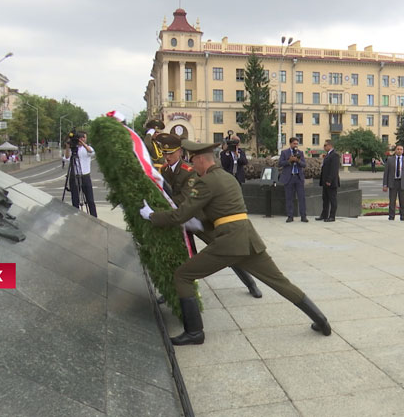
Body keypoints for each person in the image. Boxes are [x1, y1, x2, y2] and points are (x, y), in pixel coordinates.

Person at [139, 139, 332, 345]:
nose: (192, 165)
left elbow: (181, 215)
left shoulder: (205, 182)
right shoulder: (228, 178)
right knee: (280, 282)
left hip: (229, 241)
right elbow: (220, 210)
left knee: (183, 275)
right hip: (248, 238)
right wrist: (200, 224)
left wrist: (151, 216)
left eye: (193, 161)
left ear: (201, 160)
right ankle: (321, 321)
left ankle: (194, 332)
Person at [158, 133, 262, 299]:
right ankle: (172, 291)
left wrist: (166, 197)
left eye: (170, 153)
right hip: (178, 218)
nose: (167, 157)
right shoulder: (163, 171)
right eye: (164, 154)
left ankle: (250, 283)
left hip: (198, 219)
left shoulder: (189, 171)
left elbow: (186, 198)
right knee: (178, 255)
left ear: (179, 152)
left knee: (227, 252)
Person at [64, 132, 98, 217]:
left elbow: (91, 152)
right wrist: (68, 147)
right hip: (74, 176)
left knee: (90, 200)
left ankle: (94, 217)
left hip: (85, 176)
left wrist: (82, 143)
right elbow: (67, 157)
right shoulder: (73, 149)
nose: (83, 139)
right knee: (75, 200)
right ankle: (76, 217)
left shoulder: (87, 148)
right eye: (82, 138)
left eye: (84, 138)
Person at [278, 137, 308, 223]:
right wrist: (289, 161)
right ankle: (290, 216)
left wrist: (298, 161)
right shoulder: (284, 152)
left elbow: (304, 165)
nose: (296, 145)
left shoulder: (300, 153)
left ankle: (303, 216)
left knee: (301, 197)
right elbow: (280, 164)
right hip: (289, 177)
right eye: (294, 144)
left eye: (297, 144)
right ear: (290, 144)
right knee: (289, 198)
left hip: (298, 177)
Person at [382, 145, 404, 221]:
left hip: (402, 183)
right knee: (392, 201)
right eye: (398, 149)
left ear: (403, 151)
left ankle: (403, 217)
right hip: (393, 182)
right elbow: (386, 173)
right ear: (395, 150)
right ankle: (391, 217)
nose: (399, 150)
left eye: (401, 149)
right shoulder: (390, 160)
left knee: (402, 201)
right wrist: (385, 185)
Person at [316, 139, 340, 222]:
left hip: (331, 182)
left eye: (325, 145)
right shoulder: (327, 155)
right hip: (325, 181)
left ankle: (332, 216)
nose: (324, 147)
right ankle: (324, 215)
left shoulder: (335, 155)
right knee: (325, 199)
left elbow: (334, 170)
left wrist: (329, 180)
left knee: (332, 199)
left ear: (330, 145)